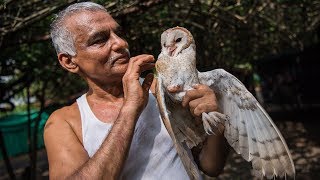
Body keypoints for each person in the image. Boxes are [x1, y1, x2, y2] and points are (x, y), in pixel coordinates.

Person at [44, 2, 229, 180]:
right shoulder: (64, 122)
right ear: (69, 61)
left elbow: (211, 166)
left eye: (118, 33)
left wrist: (215, 123)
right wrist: (130, 109)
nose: (120, 43)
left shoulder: (165, 90)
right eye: (99, 40)